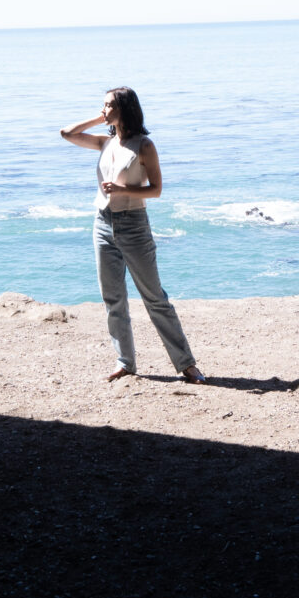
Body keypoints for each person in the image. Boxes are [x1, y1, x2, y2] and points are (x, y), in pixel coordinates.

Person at [60, 86, 206, 383]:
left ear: (124, 108)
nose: (104, 109)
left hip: (133, 225)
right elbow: (67, 133)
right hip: (102, 224)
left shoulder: (144, 146)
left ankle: (186, 364)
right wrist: (98, 117)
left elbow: (156, 189)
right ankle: (125, 362)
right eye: (102, 105)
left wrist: (123, 189)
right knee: (113, 298)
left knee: (154, 297)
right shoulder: (105, 142)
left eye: (109, 105)